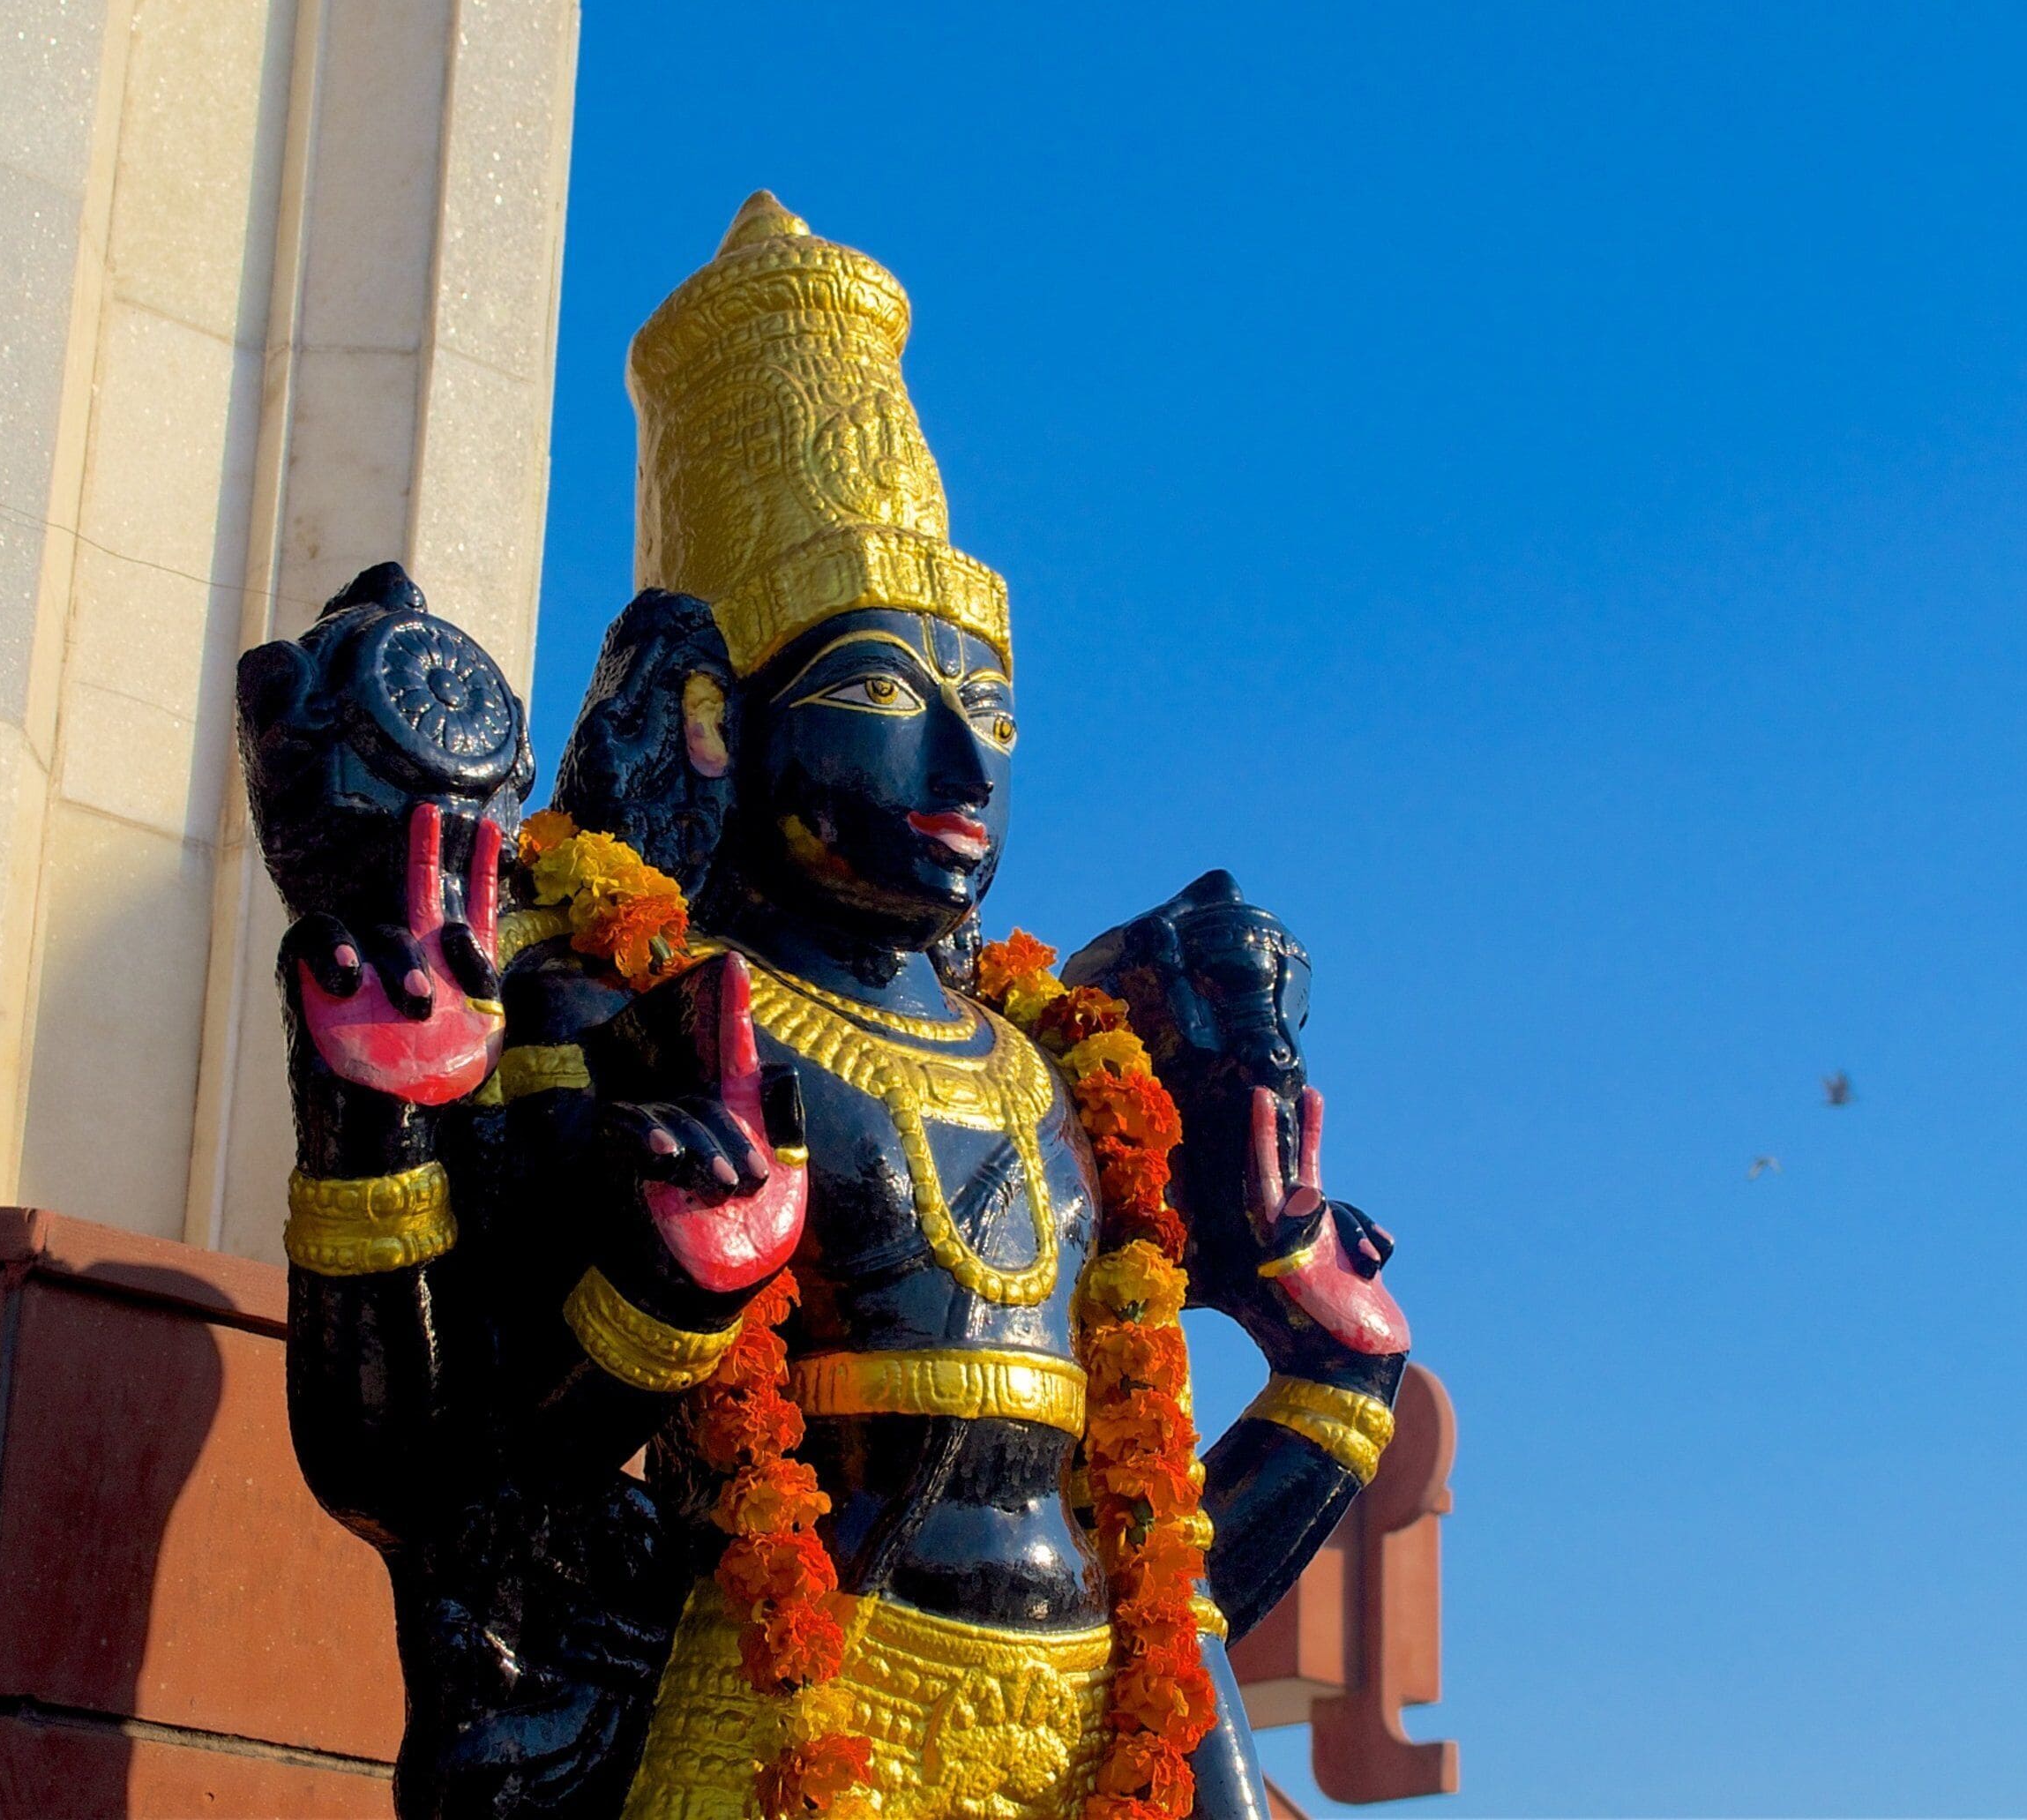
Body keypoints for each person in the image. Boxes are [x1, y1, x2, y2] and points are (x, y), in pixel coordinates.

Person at [242, 195, 1413, 1820]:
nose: (965, 769)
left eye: (989, 707)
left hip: (1097, 1713)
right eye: (880, 694)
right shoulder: (627, 1007)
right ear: (719, 722)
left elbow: (1154, 1555)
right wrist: (659, 1288)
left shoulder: (1056, 1069)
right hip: (793, 1702)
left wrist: (1337, 1383)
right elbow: (461, 1479)